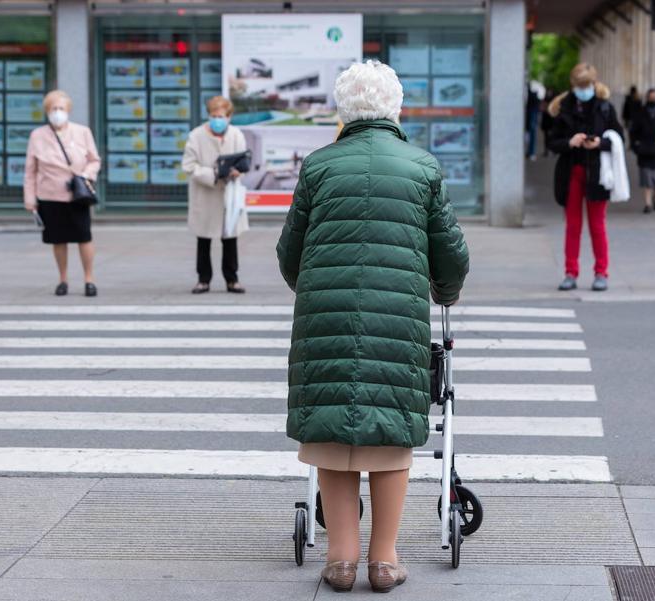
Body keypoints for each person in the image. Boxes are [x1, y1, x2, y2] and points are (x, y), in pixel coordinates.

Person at [276, 59, 469, 593]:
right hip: (396, 315)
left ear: (344, 111)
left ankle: (340, 559)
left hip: (326, 314)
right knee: (388, 435)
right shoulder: (421, 167)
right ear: (395, 108)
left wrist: (315, 288)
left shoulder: (318, 166)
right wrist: (445, 292)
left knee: (332, 431)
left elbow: (289, 251)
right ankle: (383, 560)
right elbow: (451, 254)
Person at [547, 63, 623, 292]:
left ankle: (601, 272)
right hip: (571, 172)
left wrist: (600, 143)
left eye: (587, 85)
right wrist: (570, 142)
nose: (584, 90)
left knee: (597, 225)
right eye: (580, 86)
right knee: (573, 226)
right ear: (573, 85)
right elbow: (552, 142)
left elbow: (619, 138)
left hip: (597, 173)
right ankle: (570, 272)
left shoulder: (604, 108)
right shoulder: (563, 108)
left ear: (593, 83)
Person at [23, 90, 101, 297]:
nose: (57, 112)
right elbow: (30, 170)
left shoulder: (82, 132)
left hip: (77, 194)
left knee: (84, 237)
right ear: (47, 111)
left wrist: (86, 175)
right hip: (50, 194)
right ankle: (63, 279)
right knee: (58, 239)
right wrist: (30, 198)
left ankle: (89, 279)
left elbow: (95, 159)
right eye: (53, 109)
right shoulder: (37, 136)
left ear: (68, 111)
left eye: (61, 108)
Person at [182, 95, 248, 294]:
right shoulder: (196, 136)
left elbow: (243, 161)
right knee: (204, 238)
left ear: (229, 116)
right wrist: (212, 174)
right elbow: (188, 166)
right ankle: (203, 279)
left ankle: (232, 279)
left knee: (230, 238)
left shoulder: (236, 135)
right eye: (213, 115)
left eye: (220, 116)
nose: (216, 120)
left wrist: (238, 171)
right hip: (206, 194)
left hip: (229, 194)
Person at [526, 82, 541, 159]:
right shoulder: (533, 94)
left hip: (529, 117)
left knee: (531, 132)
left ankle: (531, 152)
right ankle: (531, 152)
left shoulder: (531, 94)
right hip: (529, 117)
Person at [540, 88, 556, 157]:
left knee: (551, 136)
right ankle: (547, 150)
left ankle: (551, 150)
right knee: (547, 137)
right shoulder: (546, 98)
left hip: (551, 121)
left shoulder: (552, 99)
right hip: (547, 121)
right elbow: (542, 108)